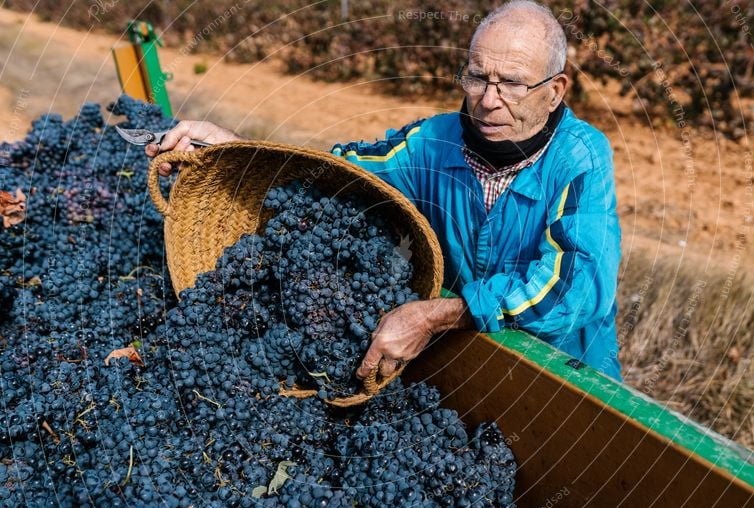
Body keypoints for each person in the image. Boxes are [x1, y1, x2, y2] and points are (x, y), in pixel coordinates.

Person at [145, 0, 623, 382]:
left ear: (555, 90)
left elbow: (574, 293)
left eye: (513, 84)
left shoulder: (581, 159)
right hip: (472, 361)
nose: (489, 99)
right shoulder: (433, 142)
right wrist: (239, 152)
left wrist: (436, 316)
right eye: (477, 76)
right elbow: (340, 170)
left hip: (569, 375)